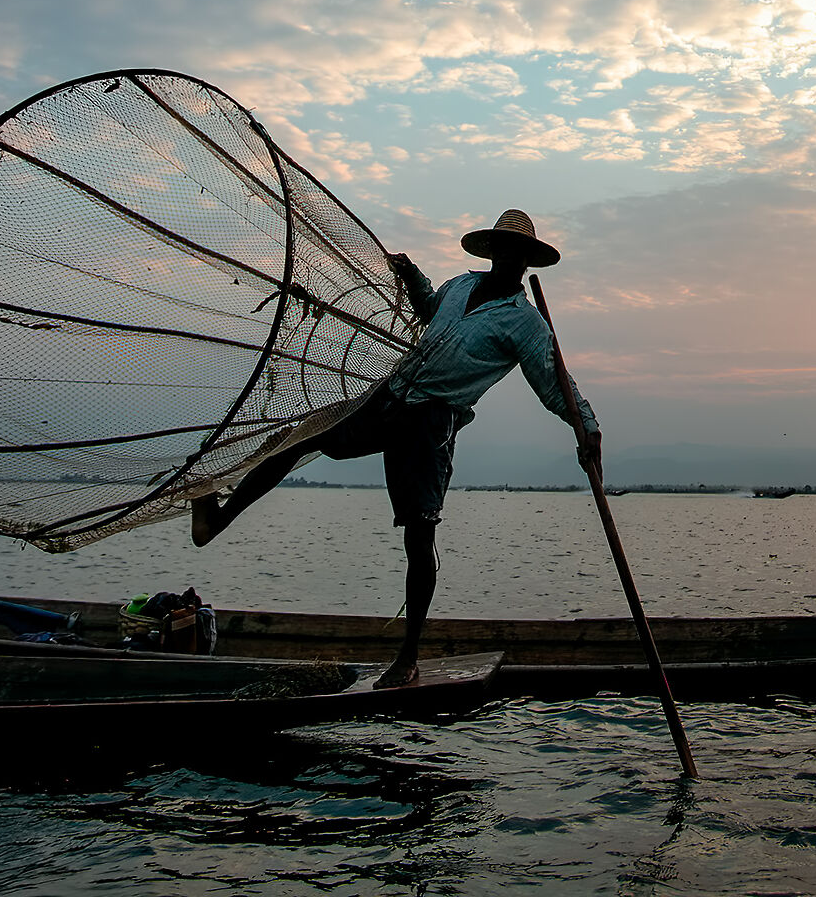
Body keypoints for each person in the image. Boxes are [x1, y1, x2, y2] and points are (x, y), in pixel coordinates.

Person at [190, 208, 602, 687]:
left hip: (430, 424)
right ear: (492, 251)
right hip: (390, 397)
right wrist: (412, 277)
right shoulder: (461, 286)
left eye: (517, 251)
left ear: (528, 260)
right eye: (502, 247)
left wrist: (587, 430)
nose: (508, 256)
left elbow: (555, 385)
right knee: (296, 438)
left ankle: (407, 659)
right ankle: (215, 520)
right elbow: (431, 310)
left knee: (419, 537)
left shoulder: (525, 324)